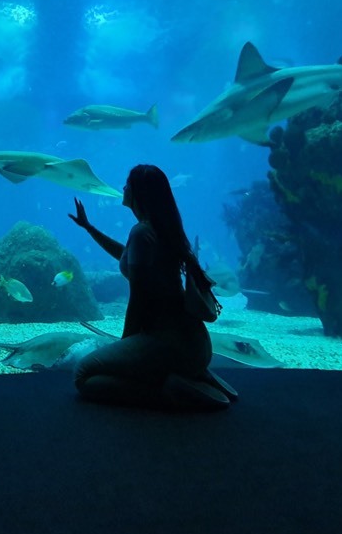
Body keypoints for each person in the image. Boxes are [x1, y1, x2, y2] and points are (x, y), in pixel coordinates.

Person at [68, 164, 237, 412]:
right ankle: (195, 375)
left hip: (169, 343)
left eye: (128, 184)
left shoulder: (141, 232)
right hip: (194, 342)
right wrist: (90, 228)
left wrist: (125, 344)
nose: (123, 188)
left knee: (83, 376)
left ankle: (170, 390)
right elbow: (126, 256)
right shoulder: (160, 228)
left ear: (138, 192)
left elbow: (139, 297)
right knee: (101, 371)